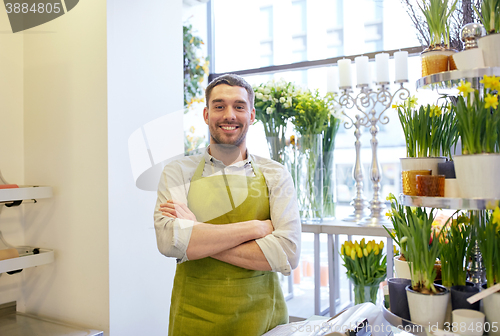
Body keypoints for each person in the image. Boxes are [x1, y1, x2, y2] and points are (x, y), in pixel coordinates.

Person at [154, 74, 301, 336]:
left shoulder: (275, 174)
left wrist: (196, 234)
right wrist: (256, 228)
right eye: (219, 106)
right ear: (206, 114)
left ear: (252, 114)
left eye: (239, 106)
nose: (229, 115)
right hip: (194, 317)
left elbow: (288, 252)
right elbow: (169, 242)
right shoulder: (178, 172)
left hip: (263, 318)